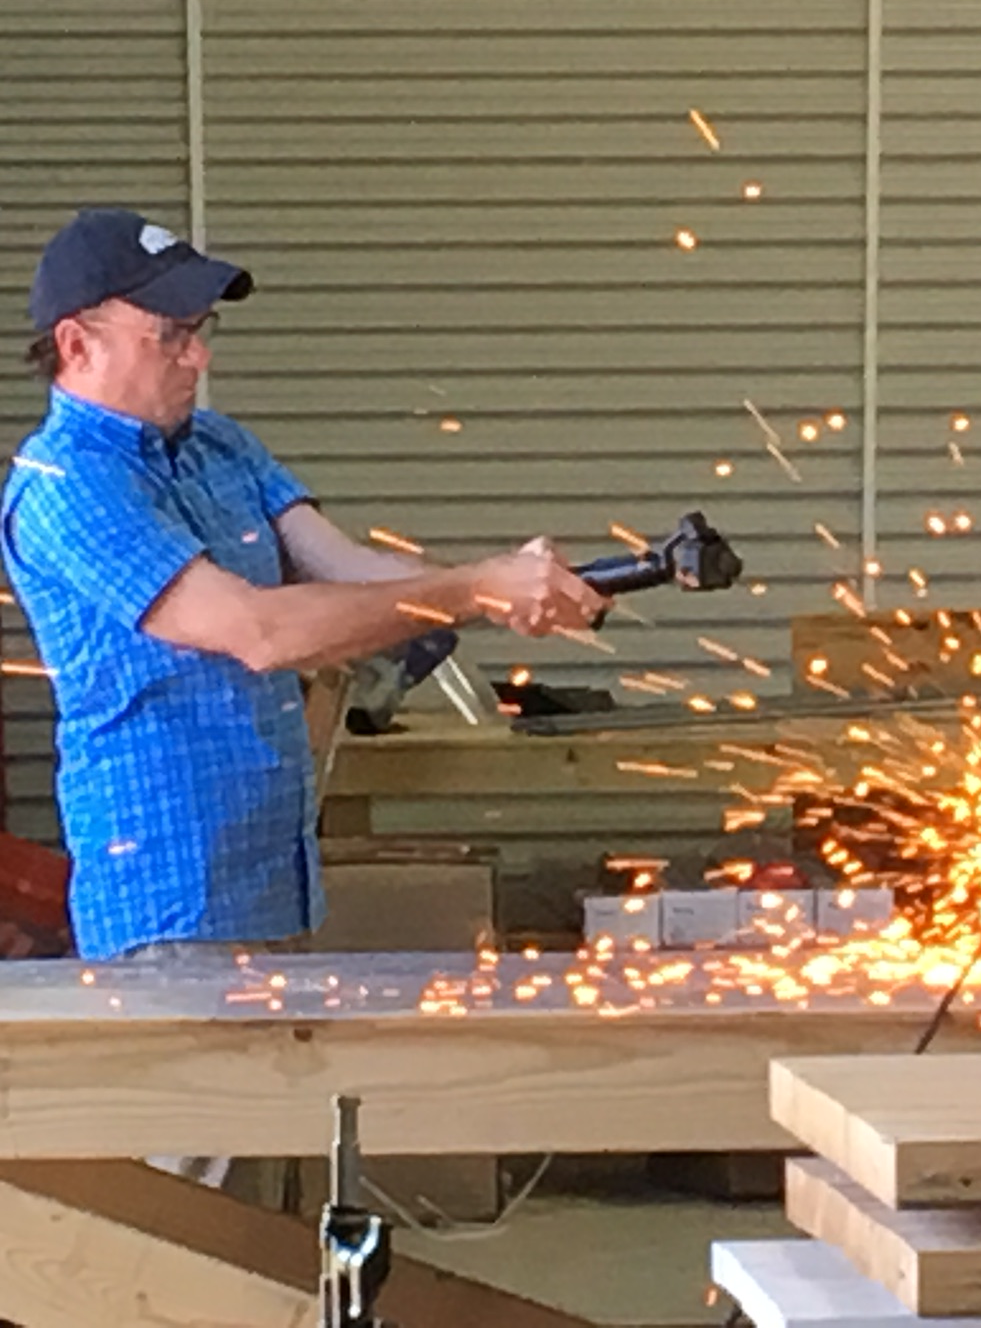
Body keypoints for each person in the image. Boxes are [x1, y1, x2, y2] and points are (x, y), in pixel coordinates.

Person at [3, 207, 606, 963]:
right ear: (76, 344)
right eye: (171, 337)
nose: (199, 359)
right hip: (168, 907)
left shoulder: (220, 445)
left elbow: (345, 566)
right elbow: (260, 633)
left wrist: (507, 584)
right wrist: (474, 587)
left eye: (202, 329)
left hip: (275, 879)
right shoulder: (66, 484)